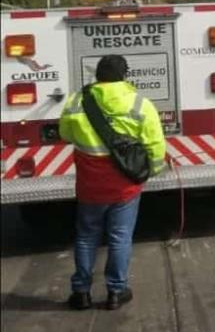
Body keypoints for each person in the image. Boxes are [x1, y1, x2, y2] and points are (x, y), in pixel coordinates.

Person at [59, 55, 166, 311]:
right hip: (124, 187)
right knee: (120, 238)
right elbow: (155, 144)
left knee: (86, 237)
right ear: (124, 75)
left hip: (89, 186)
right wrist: (152, 171)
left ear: (97, 75)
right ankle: (116, 292)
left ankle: (81, 293)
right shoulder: (140, 103)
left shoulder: (77, 101)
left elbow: (65, 134)